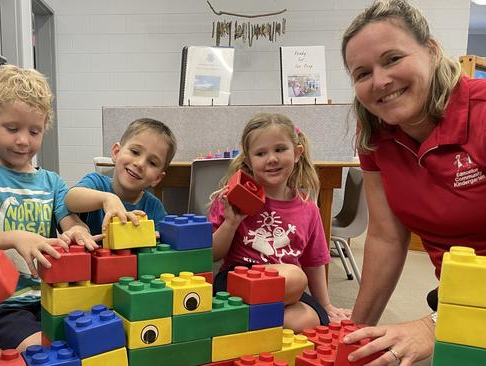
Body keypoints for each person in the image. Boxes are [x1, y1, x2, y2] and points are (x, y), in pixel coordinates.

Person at [340, 1, 486, 365]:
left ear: (432, 50)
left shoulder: (481, 113)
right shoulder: (373, 132)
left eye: (392, 59)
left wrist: (435, 326)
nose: (380, 81)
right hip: (459, 298)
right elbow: (386, 237)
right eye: (362, 73)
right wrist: (352, 339)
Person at [0, 65, 99, 352]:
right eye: (12, 128)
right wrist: (16, 237)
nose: (23, 140)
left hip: (48, 297)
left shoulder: (51, 181)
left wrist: (78, 234)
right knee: (43, 351)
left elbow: (73, 224)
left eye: (34, 131)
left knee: (90, 341)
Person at [208, 112, 351, 333]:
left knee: (307, 321)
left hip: (283, 290)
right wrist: (231, 223)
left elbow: (314, 262)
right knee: (295, 277)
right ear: (248, 160)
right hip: (237, 282)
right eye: (261, 153)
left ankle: (243, 324)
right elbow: (212, 254)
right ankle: (241, 320)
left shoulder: (309, 210)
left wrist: (326, 305)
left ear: (297, 153)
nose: (272, 159)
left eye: (280, 149)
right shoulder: (233, 200)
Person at [65, 118, 177, 235]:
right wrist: (107, 199)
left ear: (157, 178)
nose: (140, 164)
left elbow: (166, 240)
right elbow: (70, 199)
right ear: (116, 152)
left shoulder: (154, 207)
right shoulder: (96, 183)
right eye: (135, 152)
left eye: (152, 163)